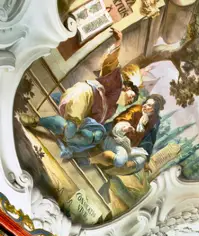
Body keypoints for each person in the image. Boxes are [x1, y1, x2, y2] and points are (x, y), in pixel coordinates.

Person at [21, 29, 142, 158]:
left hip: (82, 109)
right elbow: (111, 63)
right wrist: (118, 42)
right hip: (85, 94)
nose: (129, 100)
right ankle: (36, 121)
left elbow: (96, 120)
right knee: (71, 127)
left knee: (77, 132)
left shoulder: (112, 108)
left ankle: (51, 130)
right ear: (127, 88)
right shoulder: (116, 82)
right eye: (131, 96)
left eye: (131, 102)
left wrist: (91, 132)